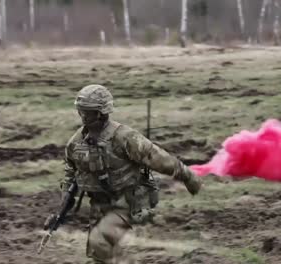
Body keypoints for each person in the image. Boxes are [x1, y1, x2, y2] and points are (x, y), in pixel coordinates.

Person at [56, 84, 201, 264]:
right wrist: (62, 207)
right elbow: (70, 172)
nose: (82, 115)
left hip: (128, 200)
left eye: (88, 111)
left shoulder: (124, 137)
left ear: (101, 112)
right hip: (99, 203)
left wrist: (187, 175)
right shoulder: (75, 142)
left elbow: (157, 158)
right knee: (99, 254)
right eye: (81, 111)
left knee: (100, 241)